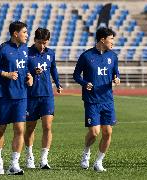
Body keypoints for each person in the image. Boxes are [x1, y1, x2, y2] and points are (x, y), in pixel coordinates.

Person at [0, 21, 32, 175]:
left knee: (20, 129)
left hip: (21, 96)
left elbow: (24, 68)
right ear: (15, 33)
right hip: (3, 96)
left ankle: (14, 164)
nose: (27, 35)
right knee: (0, 129)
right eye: (24, 32)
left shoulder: (25, 49)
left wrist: (30, 76)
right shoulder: (2, 49)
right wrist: (6, 74)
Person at [73, 27, 120, 172]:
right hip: (92, 100)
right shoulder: (86, 56)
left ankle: (98, 161)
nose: (113, 42)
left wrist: (117, 78)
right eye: (111, 38)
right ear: (102, 39)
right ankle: (86, 152)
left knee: (108, 133)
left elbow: (116, 73)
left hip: (108, 100)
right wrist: (84, 83)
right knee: (94, 132)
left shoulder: (113, 56)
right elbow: (76, 75)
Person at [24, 28, 63, 169]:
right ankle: (29, 156)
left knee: (47, 126)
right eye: (40, 42)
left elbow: (53, 69)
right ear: (34, 40)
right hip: (30, 96)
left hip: (47, 95)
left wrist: (58, 84)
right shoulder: (26, 53)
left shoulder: (50, 53)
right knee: (30, 128)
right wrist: (31, 73)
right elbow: (22, 71)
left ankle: (44, 160)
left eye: (45, 43)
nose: (42, 46)